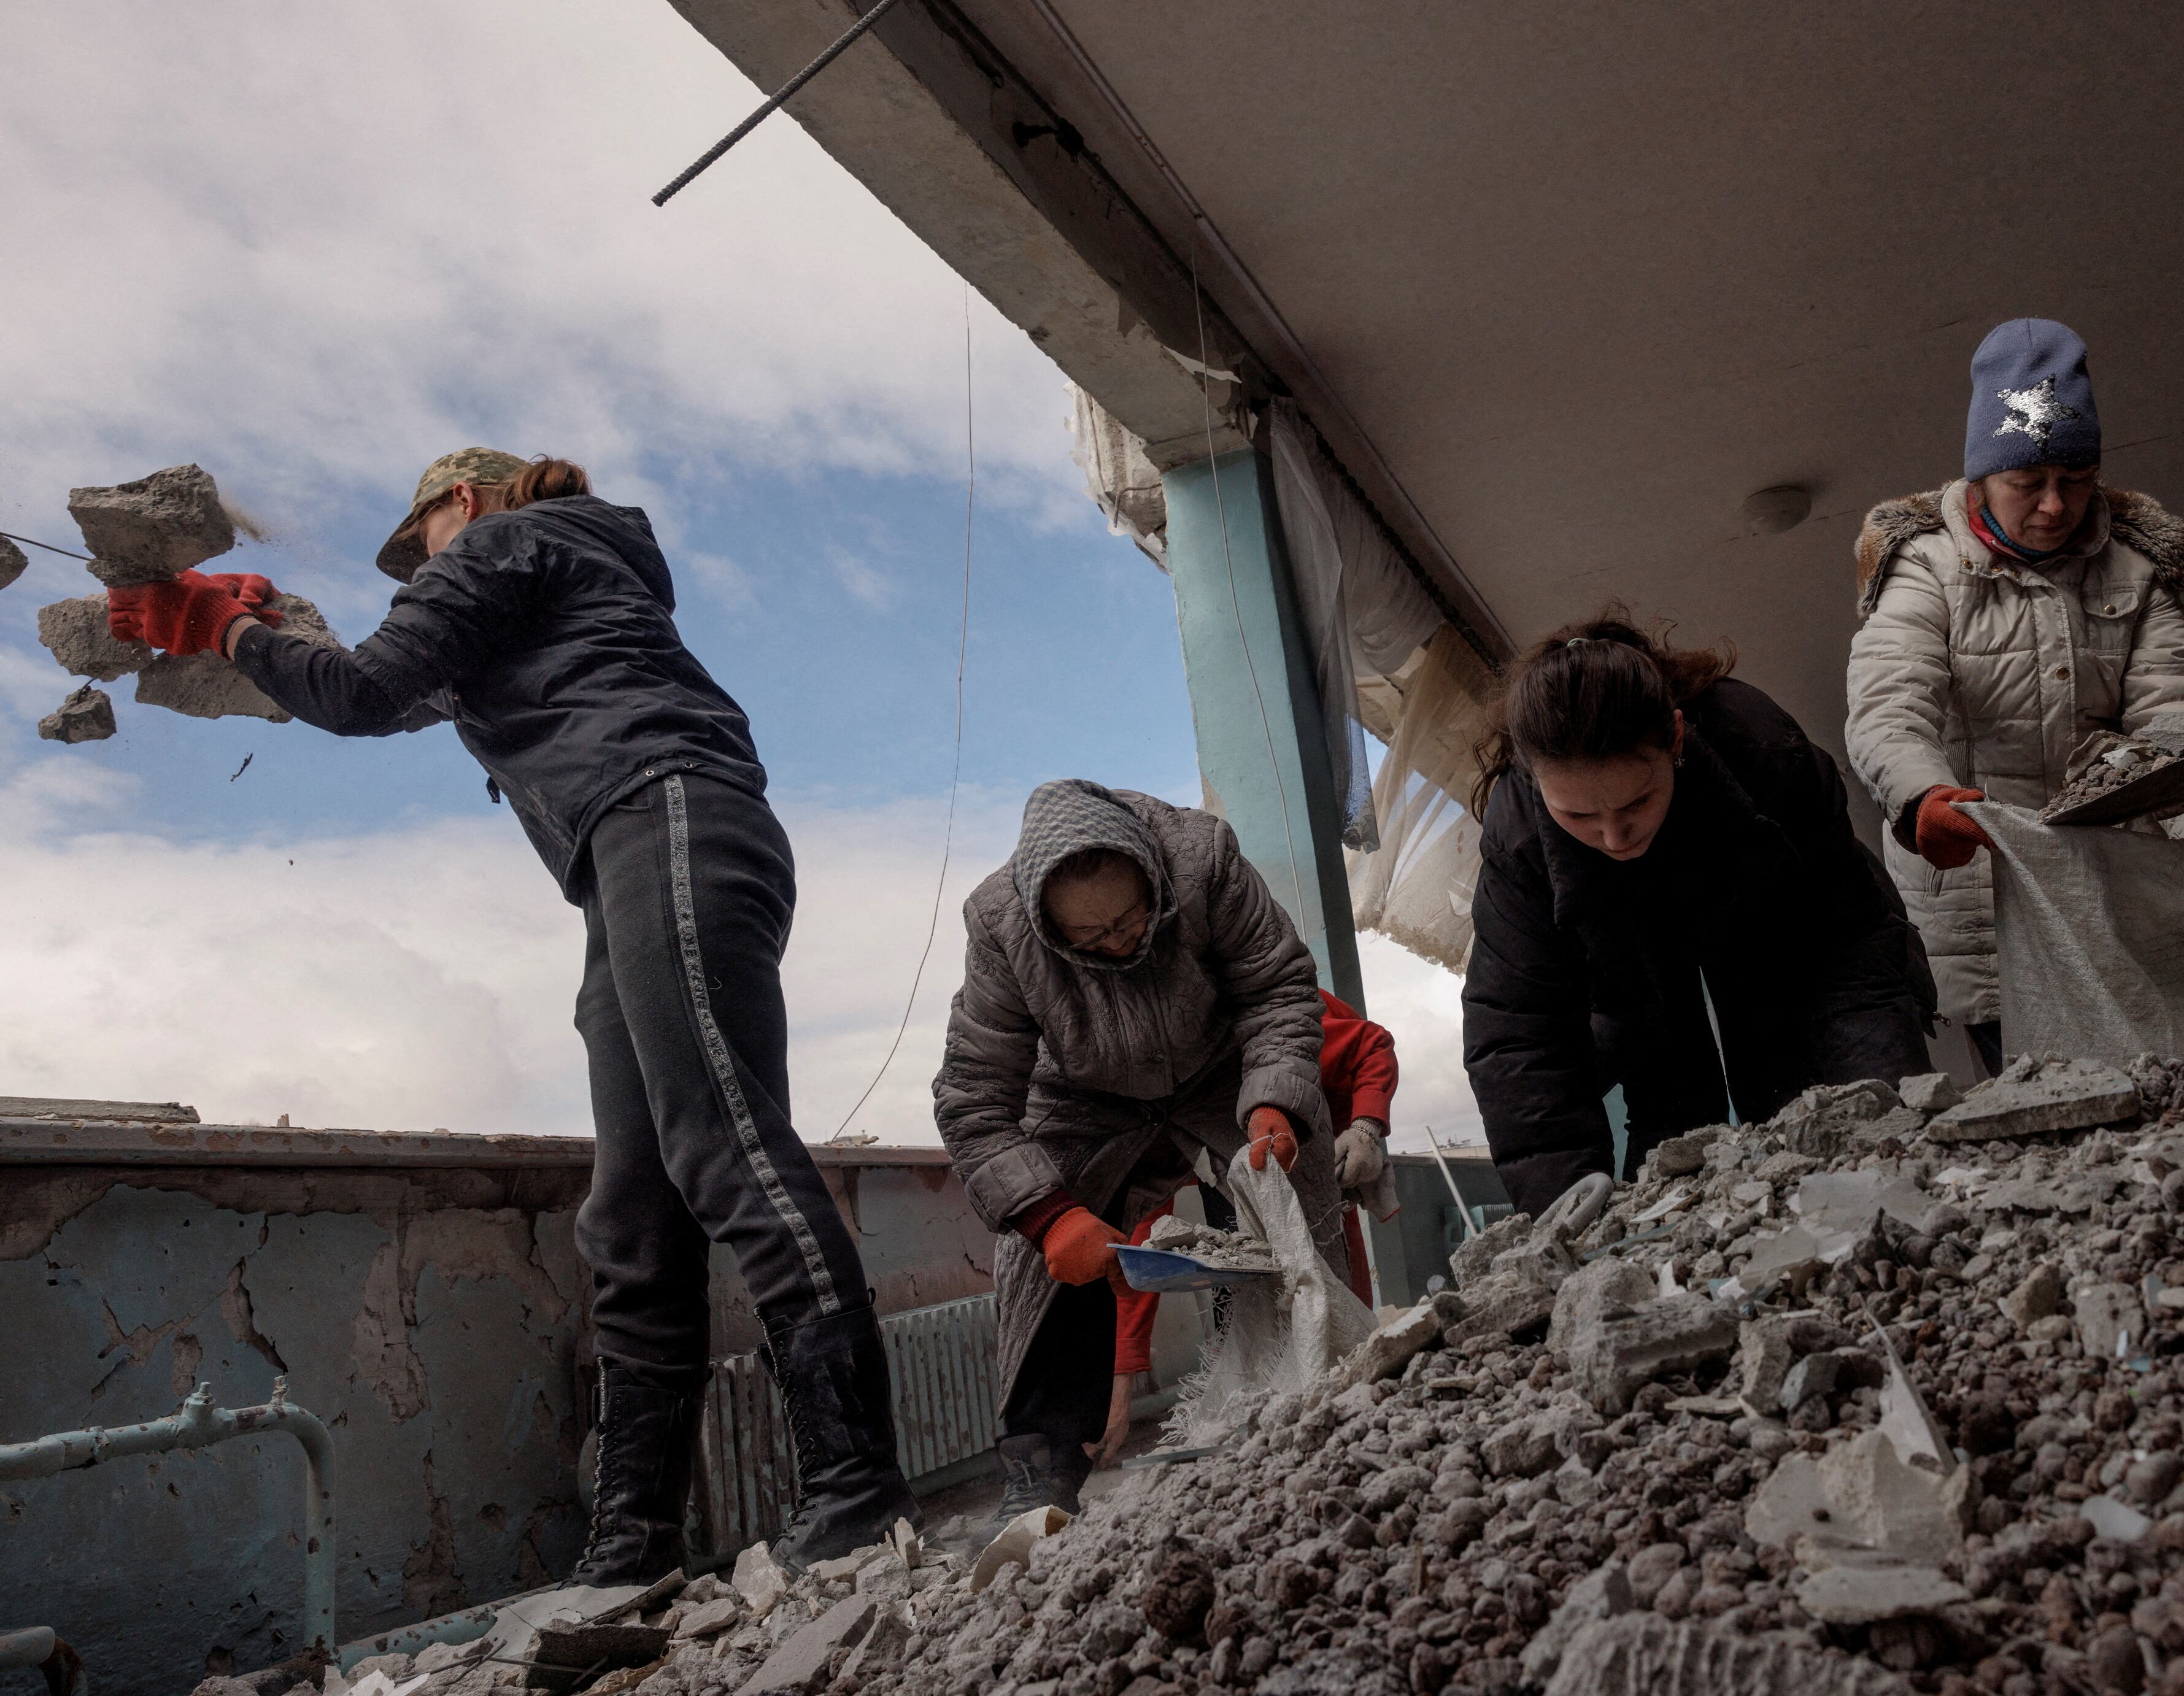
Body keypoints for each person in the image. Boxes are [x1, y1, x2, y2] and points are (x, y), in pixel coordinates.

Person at [104, 450, 918, 1580]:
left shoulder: (507, 544)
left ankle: (859, 1491)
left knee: (727, 1147)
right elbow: (374, 692)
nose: (419, 569)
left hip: (665, 813)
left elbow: (363, 693)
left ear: (465, 506)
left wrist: (219, 627)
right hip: (625, 856)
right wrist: (268, 631)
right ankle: (635, 1545)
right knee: (635, 1215)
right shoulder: (543, 584)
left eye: (418, 544)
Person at [933, 778, 1352, 1546]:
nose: (1121, 941)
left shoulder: (1205, 857)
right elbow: (973, 1097)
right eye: (1092, 939)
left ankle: (1324, 1395)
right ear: (1047, 924)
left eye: (1131, 920)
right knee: (1042, 1259)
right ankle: (1041, 1468)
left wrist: (1273, 1103)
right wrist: (1048, 1216)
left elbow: (1278, 987)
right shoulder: (998, 926)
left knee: (1289, 1190)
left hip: (1224, 1067)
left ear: (1153, 876)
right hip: (1081, 1094)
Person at [1844, 320, 2184, 1071]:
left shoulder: (2136, 571)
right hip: (1988, 903)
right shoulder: (1923, 570)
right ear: (1980, 479)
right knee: (2045, 1099)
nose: (2055, 506)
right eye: (2026, 483)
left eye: (2075, 479)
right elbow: (1889, 708)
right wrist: (1920, 797)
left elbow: (2173, 720)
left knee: (2164, 1088)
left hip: (2114, 889)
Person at [1460, 609, 1932, 1216]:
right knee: (1671, 1147)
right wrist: (1562, 1194)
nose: (1612, 834)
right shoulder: (1519, 841)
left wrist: (1884, 1108)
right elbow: (1518, 1031)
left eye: (1636, 800)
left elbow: (1849, 952)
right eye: (1578, 815)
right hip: (1637, 995)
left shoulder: (1764, 750)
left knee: (1847, 1138)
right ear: (1534, 778)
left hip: (1790, 948)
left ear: (1676, 738)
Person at [1094, 989, 1397, 1467]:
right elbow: (1149, 1234)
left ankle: (1350, 1423)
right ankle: (1262, 1430)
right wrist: (1121, 1386)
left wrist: (1365, 1128)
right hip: (1233, 1155)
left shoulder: (1261, 1032)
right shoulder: (1159, 1101)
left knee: (1329, 1286)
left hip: (1314, 1134)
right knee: (1245, 1290)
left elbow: (1372, 1045)